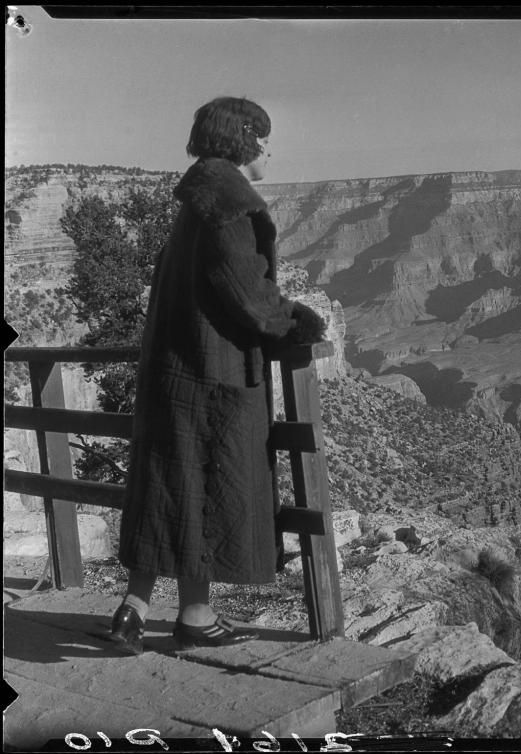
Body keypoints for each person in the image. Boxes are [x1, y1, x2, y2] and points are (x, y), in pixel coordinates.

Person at [108, 96, 326, 654]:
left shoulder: (198, 202)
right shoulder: (228, 204)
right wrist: (296, 321)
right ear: (243, 138)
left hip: (174, 372)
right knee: (207, 485)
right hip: (213, 375)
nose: (271, 149)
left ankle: (139, 608)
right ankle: (195, 617)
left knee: (171, 485)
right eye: (265, 137)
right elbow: (246, 292)